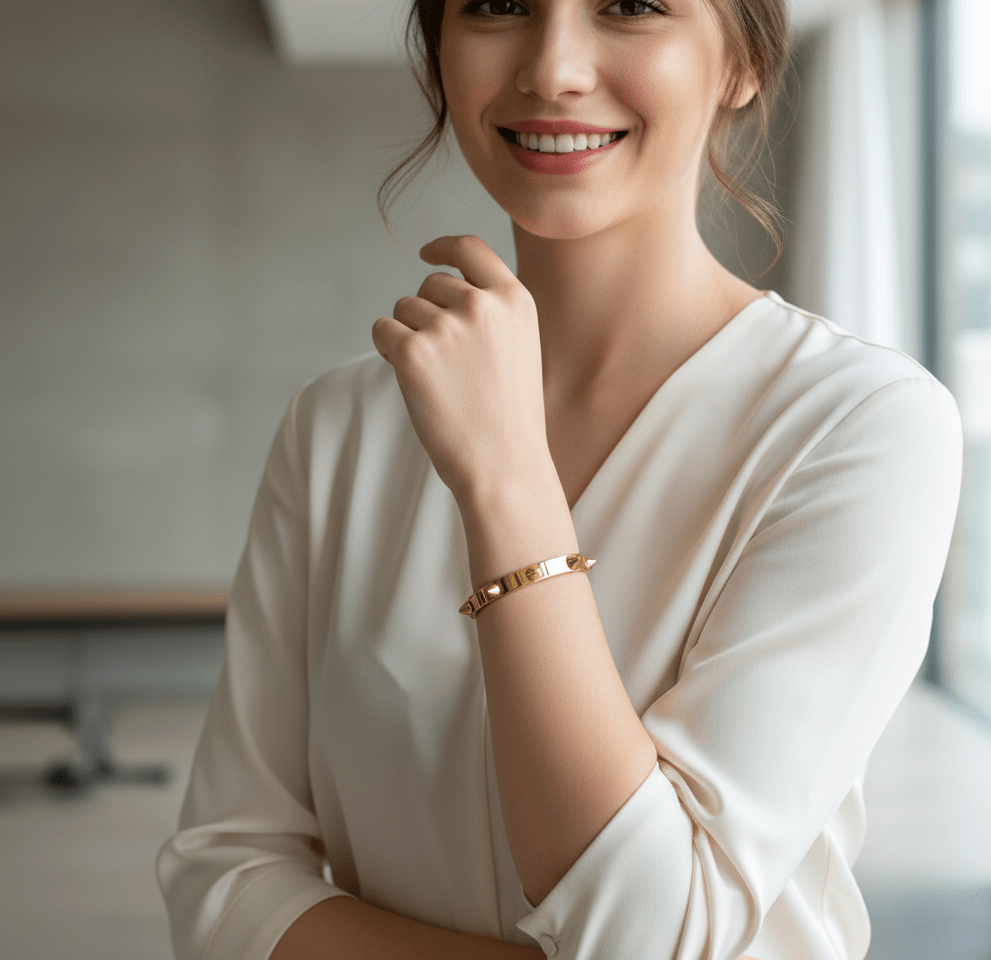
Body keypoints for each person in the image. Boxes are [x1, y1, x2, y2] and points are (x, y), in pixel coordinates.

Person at [157, 0, 962, 958]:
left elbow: (656, 934)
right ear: (439, 50)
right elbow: (223, 877)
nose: (554, 68)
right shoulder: (335, 428)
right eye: (499, 4)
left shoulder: (856, 426)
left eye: (630, 6)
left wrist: (505, 481)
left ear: (742, 60)